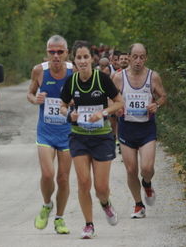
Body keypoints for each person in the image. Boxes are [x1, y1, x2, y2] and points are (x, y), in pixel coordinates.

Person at [60, 40, 124, 239]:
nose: (82, 61)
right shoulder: (71, 82)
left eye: (86, 57)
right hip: (79, 137)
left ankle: (105, 204)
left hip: (101, 138)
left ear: (92, 59)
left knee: (101, 188)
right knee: (83, 182)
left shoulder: (102, 79)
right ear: (74, 61)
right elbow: (62, 106)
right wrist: (69, 113)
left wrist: (103, 113)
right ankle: (88, 224)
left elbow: (119, 102)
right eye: (78, 57)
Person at [112, 43, 167, 219]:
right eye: (135, 56)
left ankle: (147, 183)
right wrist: (117, 108)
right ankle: (138, 204)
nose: (138, 61)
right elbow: (110, 100)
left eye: (142, 57)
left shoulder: (153, 77)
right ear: (128, 57)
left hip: (146, 130)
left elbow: (163, 96)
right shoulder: (119, 78)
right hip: (127, 129)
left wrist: (156, 104)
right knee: (130, 170)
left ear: (146, 58)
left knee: (147, 167)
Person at [27, 35, 74, 234]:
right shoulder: (39, 71)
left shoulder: (74, 72)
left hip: (68, 133)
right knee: (48, 174)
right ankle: (47, 205)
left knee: (63, 179)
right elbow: (29, 93)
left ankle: (60, 218)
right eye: (52, 52)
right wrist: (35, 99)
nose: (55, 56)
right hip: (46, 132)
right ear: (47, 53)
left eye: (60, 52)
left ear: (67, 53)